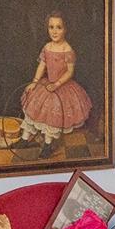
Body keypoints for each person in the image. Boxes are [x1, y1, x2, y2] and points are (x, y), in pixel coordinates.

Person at [20, 11, 93, 150]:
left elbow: (70, 72)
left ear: (65, 29)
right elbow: (42, 65)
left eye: (58, 27)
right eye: (51, 27)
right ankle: (24, 139)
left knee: (52, 116)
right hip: (46, 84)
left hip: (62, 86)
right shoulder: (47, 47)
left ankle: (48, 144)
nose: (54, 31)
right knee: (33, 109)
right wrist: (35, 82)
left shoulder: (68, 49)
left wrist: (57, 84)